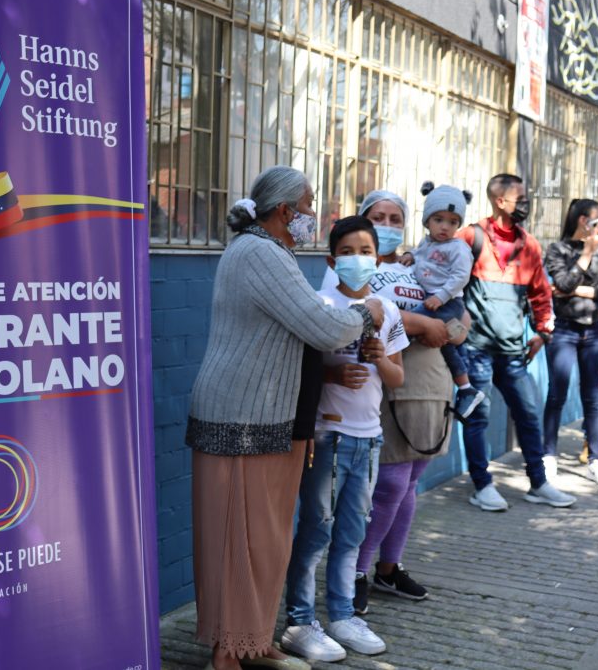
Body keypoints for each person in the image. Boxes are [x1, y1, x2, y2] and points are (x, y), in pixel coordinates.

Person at [186, 166, 384, 670]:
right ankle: (226, 651)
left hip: (272, 417)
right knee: (239, 537)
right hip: (241, 419)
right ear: (284, 211)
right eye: (309, 204)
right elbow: (322, 326)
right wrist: (367, 314)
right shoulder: (259, 252)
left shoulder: (274, 253)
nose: (313, 216)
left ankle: (254, 641)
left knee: (268, 541)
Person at [284, 217, 406, 662]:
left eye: (367, 250)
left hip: (369, 439)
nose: (360, 259)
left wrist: (381, 359)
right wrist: (332, 372)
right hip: (327, 435)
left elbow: (396, 376)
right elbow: (298, 370)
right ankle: (299, 620)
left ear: (378, 257)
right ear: (333, 260)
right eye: (349, 251)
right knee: (317, 531)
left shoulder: (386, 310)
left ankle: (341, 615)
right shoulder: (320, 304)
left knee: (352, 533)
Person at [341, 191, 466, 615]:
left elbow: (460, 323)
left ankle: (388, 568)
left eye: (396, 217)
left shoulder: (419, 265)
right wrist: (424, 323)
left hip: (431, 383)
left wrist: (444, 327)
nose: (388, 224)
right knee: (389, 484)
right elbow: (363, 312)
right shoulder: (356, 264)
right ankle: (356, 570)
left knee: (411, 482)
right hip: (387, 383)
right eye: (379, 217)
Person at [454, 173, 576, 510]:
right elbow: (445, 274)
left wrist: (543, 332)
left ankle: (538, 483)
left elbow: (541, 293)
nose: (525, 203)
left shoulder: (530, 245)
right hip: (475, 347)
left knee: (528, 412)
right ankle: (482, 485)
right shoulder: (471, 237)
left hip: (512, 350)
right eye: (519, 198)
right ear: (498, 200)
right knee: (478, 414)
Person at [542, 199, 598, 486]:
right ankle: (548, 456)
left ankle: (595, 459)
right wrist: (586, 253)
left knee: (593, 396)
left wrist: (582, 291)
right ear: (581, 220)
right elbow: (561, 284)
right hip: (564, 329)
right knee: (557, 393)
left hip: (593, 330)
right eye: (595, 219)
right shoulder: (558, 249)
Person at [398, 182, 485, 420]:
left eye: (452, 222)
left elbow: (460, 277)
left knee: (411, 324)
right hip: (434, 300)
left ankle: (385, 363)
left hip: (447, 303)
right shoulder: (427, 242)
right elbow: (419, 253)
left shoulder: (458, 248)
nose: (445, 227)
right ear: (427, 220)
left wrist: (440, 296)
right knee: (448, 347)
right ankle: (466, 389)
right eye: (438, 219)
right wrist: (409, 255)